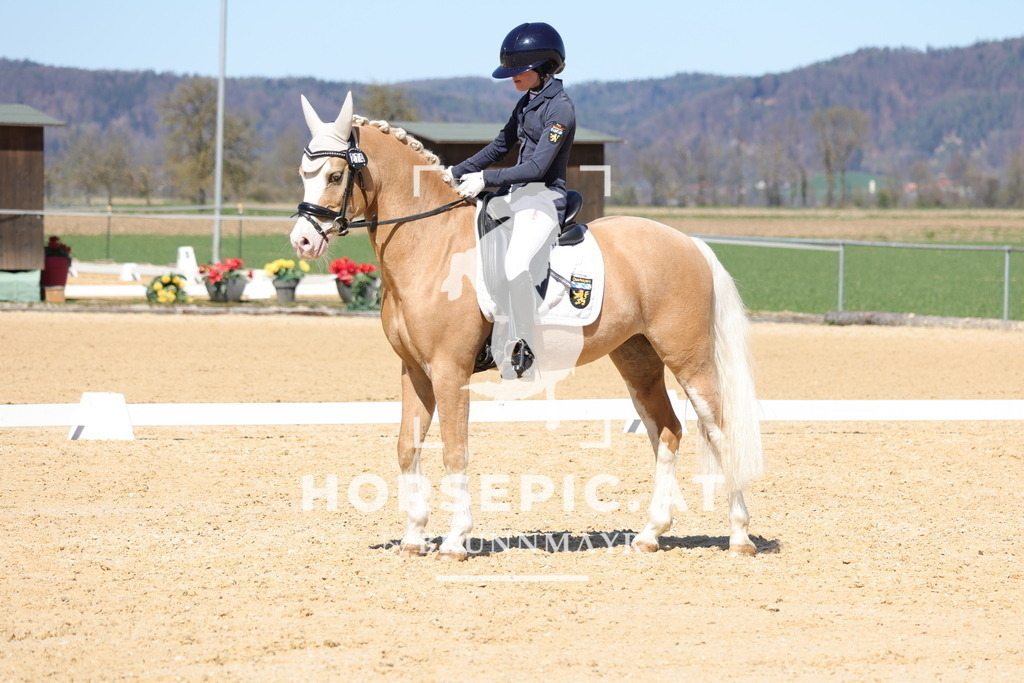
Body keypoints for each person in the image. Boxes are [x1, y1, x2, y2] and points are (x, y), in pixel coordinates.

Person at [452, 22, 576, 380]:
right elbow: (500, 146)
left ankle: (525, 347)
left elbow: (537, 167)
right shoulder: (527, 102)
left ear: (543, 68)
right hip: (516, 196)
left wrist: (485, 178)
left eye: (518, 72)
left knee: (516, 265)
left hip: (544, 199)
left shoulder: (560, 110)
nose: (512, 79)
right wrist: (453, 171)